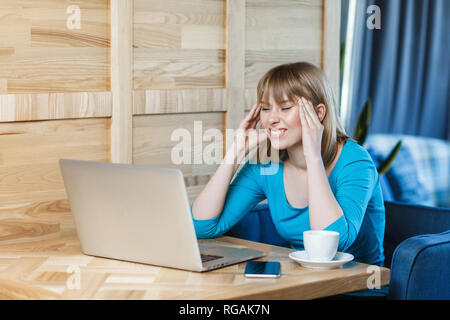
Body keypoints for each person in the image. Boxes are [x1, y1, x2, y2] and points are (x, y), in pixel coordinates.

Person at [190, 62, 386, 274]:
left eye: (285, 108)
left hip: (355, 286)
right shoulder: (267, 165)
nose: (272, 119)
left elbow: (332, 246)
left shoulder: (355, 161)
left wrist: (313, 157)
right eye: (265, 108)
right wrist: (234, 152)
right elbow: (202, 228)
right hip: (298, 282)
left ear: (319, 113)